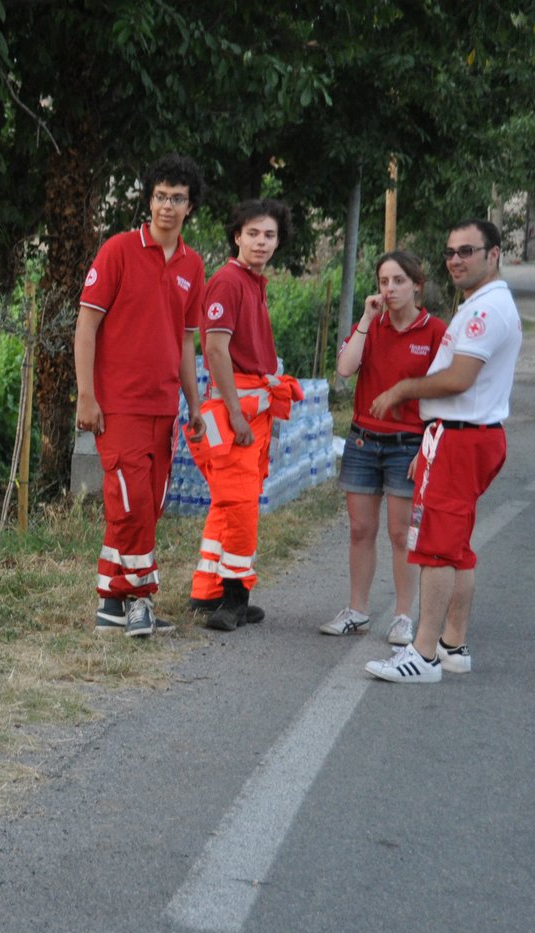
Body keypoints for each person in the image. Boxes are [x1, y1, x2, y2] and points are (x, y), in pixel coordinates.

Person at [365, 219, 521, 683]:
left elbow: (459, 379)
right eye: (451, 252)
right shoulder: (482, 303)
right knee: (456, 548)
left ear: (493, 254)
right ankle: (454, 644)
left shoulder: (485, 311)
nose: (456, 259)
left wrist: (402, 389)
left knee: (434, 547)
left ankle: (424, 655)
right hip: (459, 434)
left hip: (462, 435)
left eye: (467, 251)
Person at [74, 154, 208, 637]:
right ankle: (141, 600)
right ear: (148, 200)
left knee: (147, 505)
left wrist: (193, 405)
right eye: (159, 196)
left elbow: (185, 340)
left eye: (177, 198)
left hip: (164, 407)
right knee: (129, 502)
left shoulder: (194, 264)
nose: (166, 206)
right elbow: (86, 324)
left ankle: (111, 602)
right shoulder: (118, 250)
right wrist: (86, 396)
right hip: (119, 404)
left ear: (190, 206)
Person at [187, 198, 303, 632]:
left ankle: (206, 591)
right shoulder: (228, 282)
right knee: (239, 505)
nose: (261, 241)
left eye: (269, 235)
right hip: (237, 412)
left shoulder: (252, 281)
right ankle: (235, 599)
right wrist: (236, 416)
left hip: (253, 409)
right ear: (237, 236)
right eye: (252, 233)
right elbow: (214, 348)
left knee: (227, 501)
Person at [320, 250, 447, 645]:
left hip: (408, 444)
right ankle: (357, 610)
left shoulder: (435, 332)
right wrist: (364, 320)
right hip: (363, 439)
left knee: (400, 532)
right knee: (360, 529)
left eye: (398, 282)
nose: (389, 290)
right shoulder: (372, 326)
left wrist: (426, 448)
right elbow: (344, 370)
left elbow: (447, 394)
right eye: (383, 282)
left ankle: (404, 615)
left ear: (417, 286)